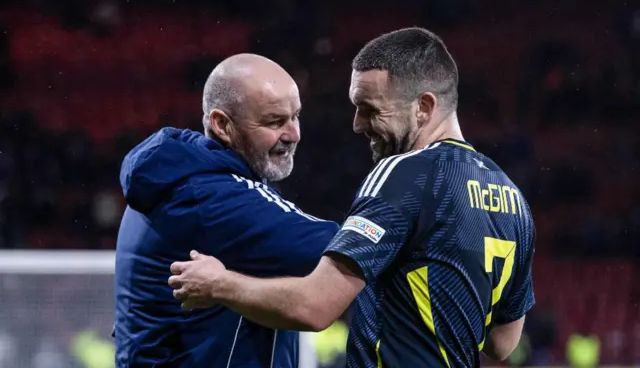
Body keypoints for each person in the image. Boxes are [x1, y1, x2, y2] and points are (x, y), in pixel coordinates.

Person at [169, 27, 536, 368]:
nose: (357, 124)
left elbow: (314, 307)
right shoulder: (513, 198)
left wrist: (219, 284)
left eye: (371, 109)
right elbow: (502, 342)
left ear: (423, 107)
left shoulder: (405, 174)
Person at [113, 53, 339, 367]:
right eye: (274, 121)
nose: (294, 134)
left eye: (296, 116)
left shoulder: (183, 178)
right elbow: (348, 249)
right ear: (222, 124)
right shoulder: (212, 198)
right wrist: (402, 203)